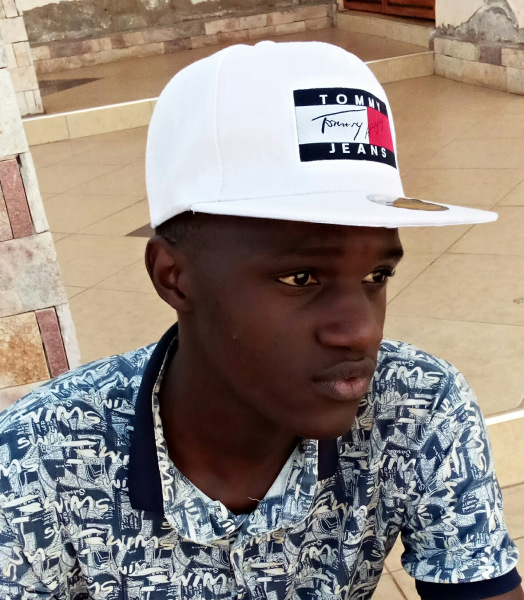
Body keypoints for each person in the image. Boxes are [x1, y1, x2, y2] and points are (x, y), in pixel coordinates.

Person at [0, 41, 521, 600]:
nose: (362, 331)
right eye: (300, 277)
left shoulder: (416, 405)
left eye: (377, 275)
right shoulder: (37, 460)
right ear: (173, 277)